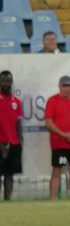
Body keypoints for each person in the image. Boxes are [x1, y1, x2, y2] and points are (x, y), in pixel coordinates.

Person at [44, 75, 70, 200]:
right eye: (64, 86)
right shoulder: (53, 101)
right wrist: (64, 135)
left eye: (68, 86)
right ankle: (53, 198)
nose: (66, 88)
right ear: (59, 86)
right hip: (60, 145)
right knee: (58, 170)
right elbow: (49, 123)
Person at [0, 70, 21, 201]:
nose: (6, 83)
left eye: (8, 81)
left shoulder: (17, 101)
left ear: (12, 82)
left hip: (13, 143)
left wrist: (19, 141)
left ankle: (8, 201)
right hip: (0, 142)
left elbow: (18, 123)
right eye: (3, 80)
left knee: (9, 174)